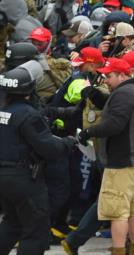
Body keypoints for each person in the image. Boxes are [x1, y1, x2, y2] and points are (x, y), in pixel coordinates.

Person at [0, 63, 77, 254]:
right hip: (24, 178)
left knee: (12, 223)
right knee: (36, 232)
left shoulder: (4, 111)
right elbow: (49, 148)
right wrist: (68, 142)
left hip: (4, 176)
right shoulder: (28, 115)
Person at [76, 58, 134, 255]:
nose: (106, 80)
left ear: (122, 75)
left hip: (122, 162)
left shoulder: (124, 93)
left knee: (118, 214)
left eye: (109, 76)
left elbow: (114, 125)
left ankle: (118, 251)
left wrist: (89, 131)